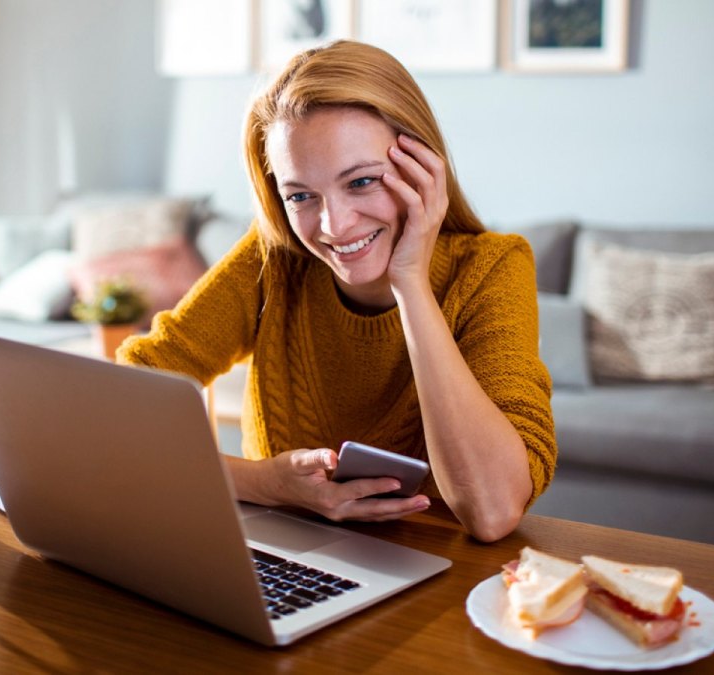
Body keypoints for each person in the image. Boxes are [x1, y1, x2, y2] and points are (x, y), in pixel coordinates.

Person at [120, 40, 555, 542]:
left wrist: (410, 282)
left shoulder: (492, 267)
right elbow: (126, 402)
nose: (335, 225)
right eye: (301, 195)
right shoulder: (275, 257)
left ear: (424, 167)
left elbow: (493, 510)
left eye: (362, 181)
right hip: (278, 556)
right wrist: (266, 483)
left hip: (435, 575)